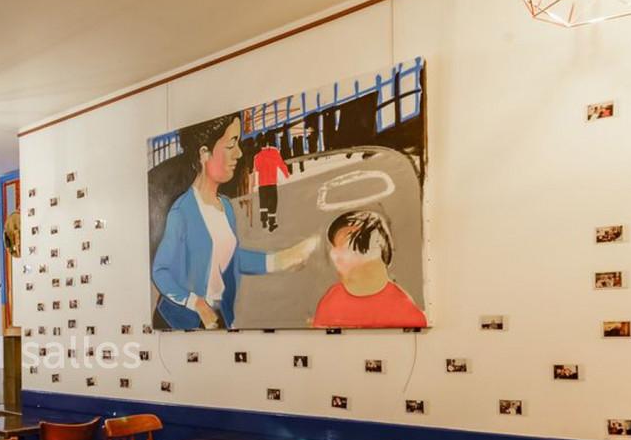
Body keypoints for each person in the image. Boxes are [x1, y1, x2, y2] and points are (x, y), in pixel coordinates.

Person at [152, 114, 318, 330]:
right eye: (231, 145)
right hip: (180, 321)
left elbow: (232, 258)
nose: (239, 153)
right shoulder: (182, 211)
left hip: (218, 317)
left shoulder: (226, 207)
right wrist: (197, 304)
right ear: (204, 153)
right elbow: (160, 271)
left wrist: (280, 260)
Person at [312, 207, 426, 328]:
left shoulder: (405, 311)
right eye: (335, 247)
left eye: (344, 247)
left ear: (376, 250)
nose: (334, 256)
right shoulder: (331, 301)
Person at [252, 144, 289, 232]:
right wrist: (286, 174)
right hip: (272, 183)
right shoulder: (275, 153)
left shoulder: (258, 155)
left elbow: (257, 168)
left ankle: (264, 221)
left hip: (262, 184)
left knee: (263, 202)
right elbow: (281, 164)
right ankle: (272, 223)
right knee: (272, 203)